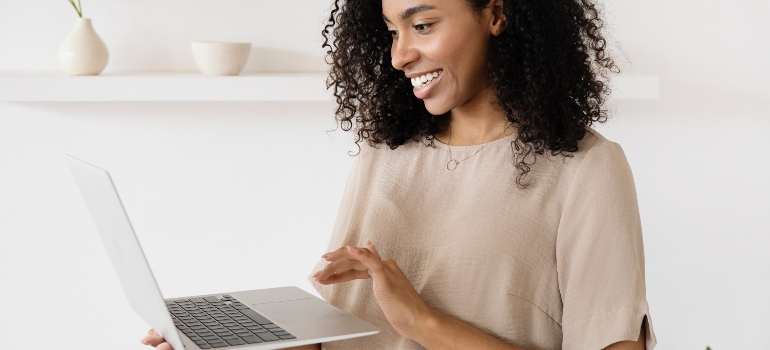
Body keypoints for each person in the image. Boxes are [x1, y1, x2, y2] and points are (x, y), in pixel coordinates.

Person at [142, 0, 657, 349]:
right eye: (392, 30)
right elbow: (350, 333)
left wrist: (422, 323)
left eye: (423, 25)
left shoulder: (586, 170)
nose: (400, 54)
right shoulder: (383, 157)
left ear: (497, 13)